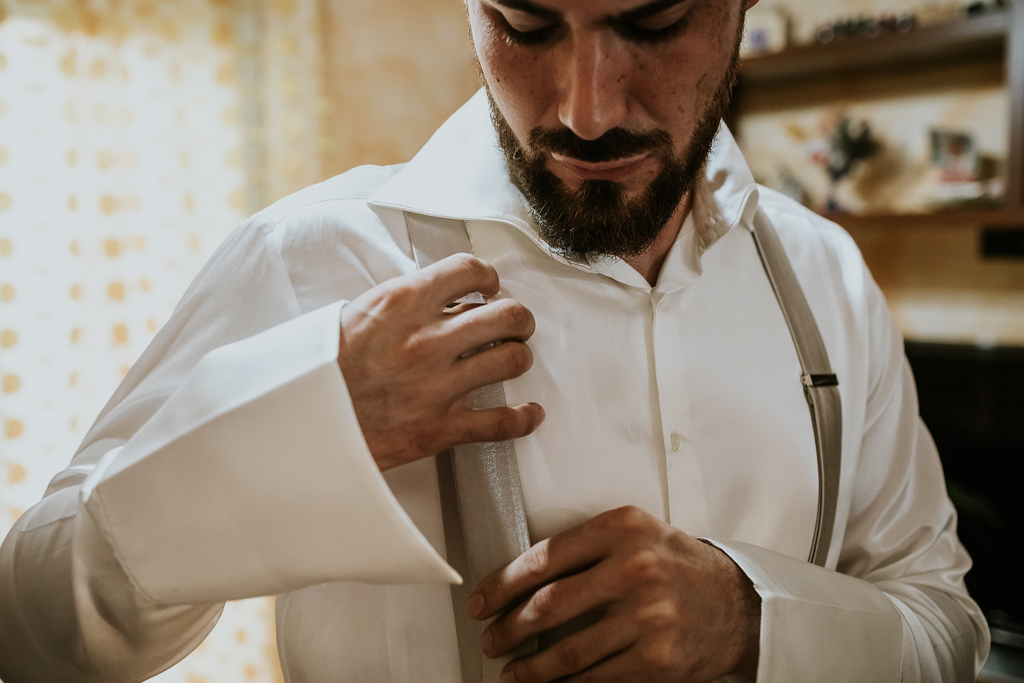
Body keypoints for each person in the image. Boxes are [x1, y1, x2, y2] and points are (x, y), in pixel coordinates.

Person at [0, 0, 990, 681]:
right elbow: (28, 629)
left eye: (653, 24)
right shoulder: (312, 259)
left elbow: (943, 625)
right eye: (524, 24)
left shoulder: (825, 275)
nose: (586, 110)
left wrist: (753, 621)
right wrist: (290, 428)